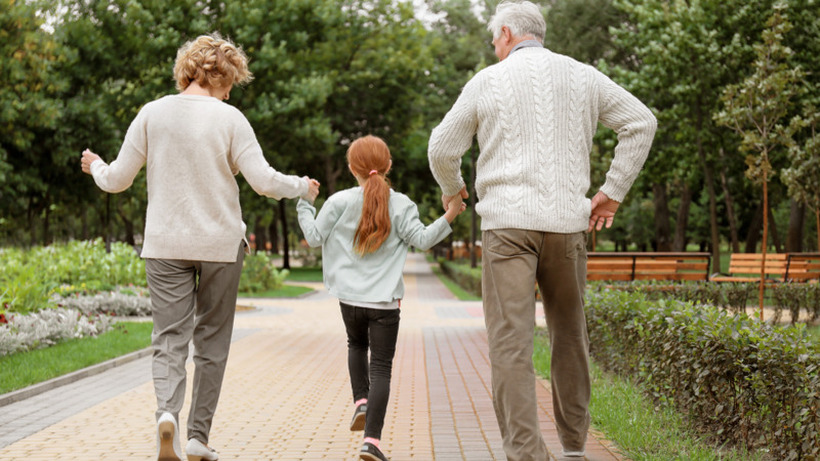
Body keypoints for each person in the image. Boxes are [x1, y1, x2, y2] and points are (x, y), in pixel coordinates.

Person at [427, 1, 657, 459]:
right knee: (569, 336)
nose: (494, 48)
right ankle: (574, 448)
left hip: (507, 228)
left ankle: (527, 454)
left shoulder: (487, 81)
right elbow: (641, 121)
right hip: (567, 227)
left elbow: (441, 147)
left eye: (495, 39)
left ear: (508, 33)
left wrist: (453, 192)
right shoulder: (583, 75)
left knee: (510, 342)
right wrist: (612, 191)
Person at [80, 33, 320, 461]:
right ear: (221, 77)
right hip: (221, 246)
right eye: (231, 83)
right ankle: (197, 438)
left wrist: (95, 164)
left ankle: (165, 415)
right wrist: (303, 187)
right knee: (212, 343)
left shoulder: (152, 114)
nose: (230, 92)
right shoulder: (230, 120)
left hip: (165, 244)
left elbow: (117, 180)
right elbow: (264, 182)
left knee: (169, 338)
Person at [297, 135, 465, 461]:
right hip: (385, 304)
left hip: (349, 300)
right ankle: (371, 442)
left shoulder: (338, 201)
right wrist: (453, 212)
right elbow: (424, 240)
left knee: (356, 346)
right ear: (388, 165)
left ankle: (360, 401)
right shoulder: (401, 203)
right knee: (382, 370)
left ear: (351, 168)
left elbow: (314, 238)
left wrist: (305, 204)